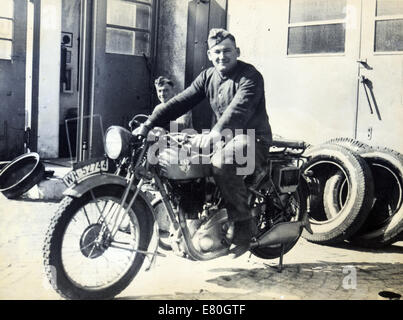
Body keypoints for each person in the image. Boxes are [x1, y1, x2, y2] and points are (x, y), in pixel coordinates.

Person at [136, 28, 272, 257]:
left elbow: (237, 112)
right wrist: (148, 124)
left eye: (227, 51)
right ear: (210, 55)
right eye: (217, 52)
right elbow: (180, 101)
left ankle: (243, 226)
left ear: (237, 51)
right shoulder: (208, 76)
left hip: (251, 138)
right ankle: (191, 221)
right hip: (224, 137)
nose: (222, 56)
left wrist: (213, 135)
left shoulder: (251, 76)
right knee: (183, 159)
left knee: (222, 162)